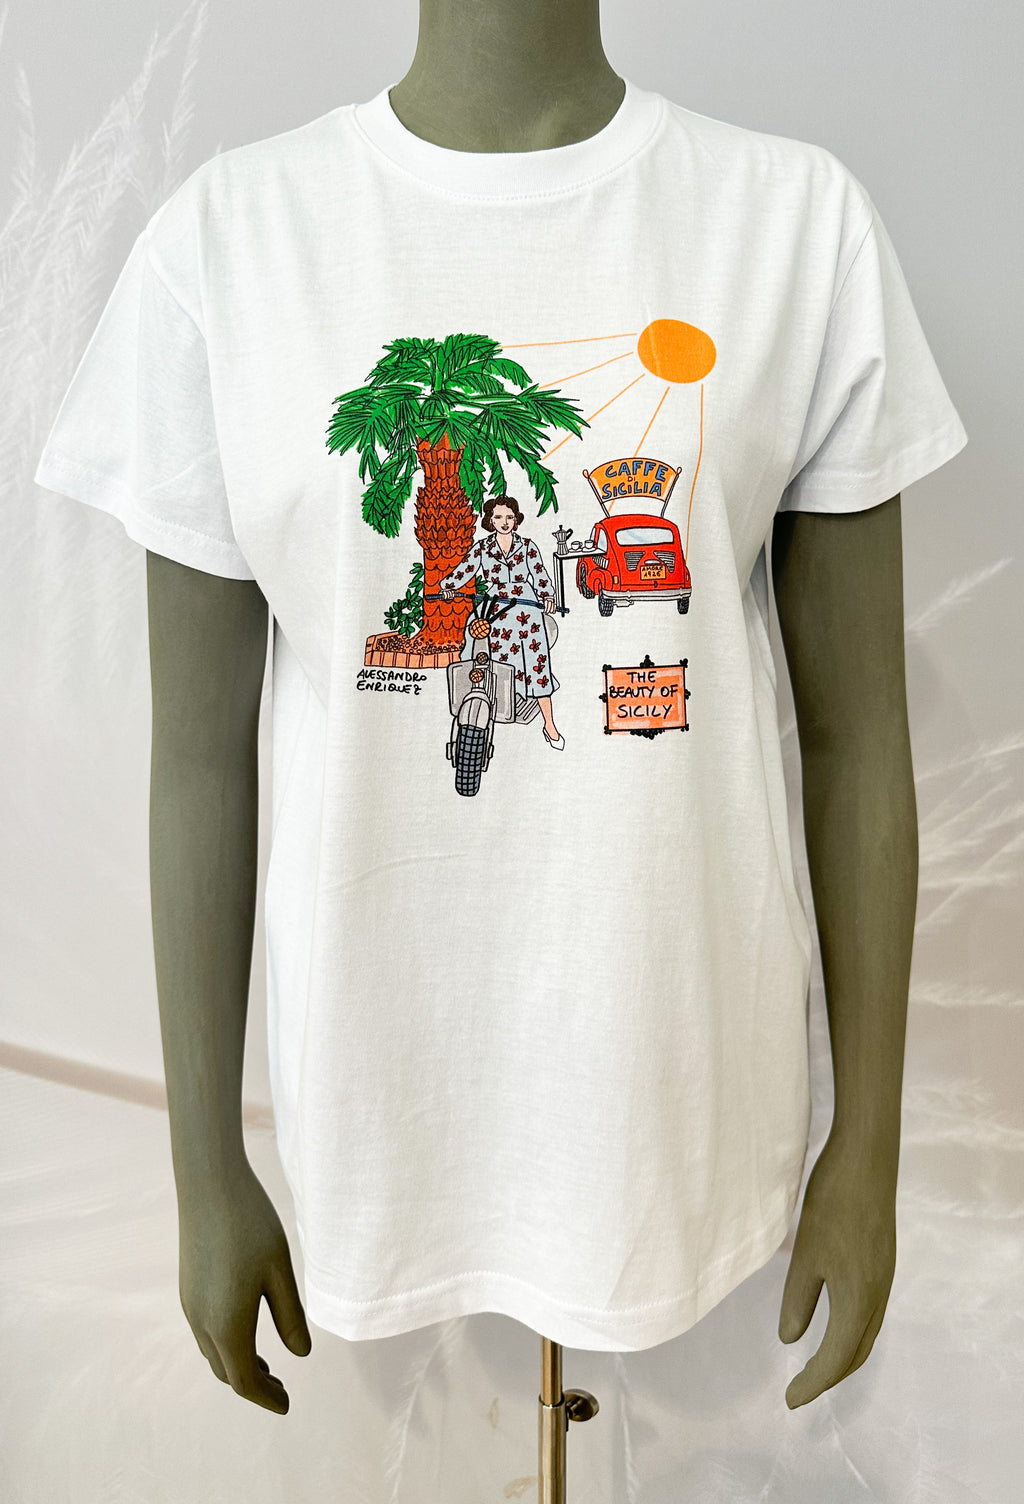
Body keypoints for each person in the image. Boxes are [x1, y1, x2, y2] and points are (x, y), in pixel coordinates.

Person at [33, 1, 967, 1421]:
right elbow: (198, 764)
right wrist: (205, 1169)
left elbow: (857, 739)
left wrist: (869, 1147)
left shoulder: (793, 225)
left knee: (524, 659)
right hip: (381, 1106)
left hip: (681, 1096)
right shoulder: (226, 243)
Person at [439, 494, 563, 747]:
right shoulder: (483, 548)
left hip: (526, 608)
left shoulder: (527, 546)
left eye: (509, 517)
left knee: (537, 665)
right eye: (498, 517)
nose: (504, 522)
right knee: (478, 642)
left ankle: (549, 724)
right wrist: (448, 586)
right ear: (490, 520)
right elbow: (465, 569)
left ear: (516, 520)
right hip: (494, 605)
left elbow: (539, 574)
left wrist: (548, 596)